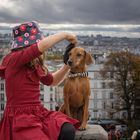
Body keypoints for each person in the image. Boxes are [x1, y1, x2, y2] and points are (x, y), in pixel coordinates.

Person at [0, 21, 80, 140]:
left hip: (37, 112)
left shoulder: (34, 63)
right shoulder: (13, 59)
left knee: (67, 129)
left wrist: (67, 65)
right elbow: (42, 46)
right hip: (20, 117)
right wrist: (65, 35)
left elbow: (52, 81)